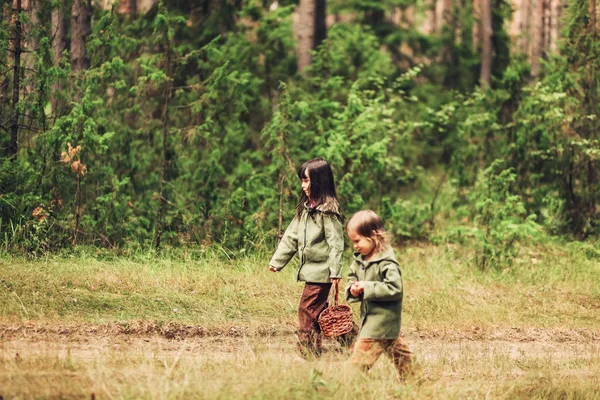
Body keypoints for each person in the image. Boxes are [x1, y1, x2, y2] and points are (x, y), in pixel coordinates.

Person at [269, 158, 344, 358]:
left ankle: (308, 349)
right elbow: (291, 237)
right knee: (320, 312)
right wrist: (278, 261)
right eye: (302, 181)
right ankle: (352, 336)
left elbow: (336, 244)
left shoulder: (328, 212)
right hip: (311, 270)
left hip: (322, 272)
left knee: (307, 309)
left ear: (320, 182)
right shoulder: (305, 208)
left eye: (306, 181)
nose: (303, 186)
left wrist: (335, 272)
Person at [344, 210, 416, 379]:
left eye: (357, 240)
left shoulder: (387, 262)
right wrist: (353, 289)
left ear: (373, 236)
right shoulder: (359, 261)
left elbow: (395, 288)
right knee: (401, 355)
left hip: (381, 321)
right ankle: (417, 380)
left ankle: (346, 385)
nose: (355, 245)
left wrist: (367, 287)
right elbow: (351, 279)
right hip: (375, 321)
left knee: (358, 361)